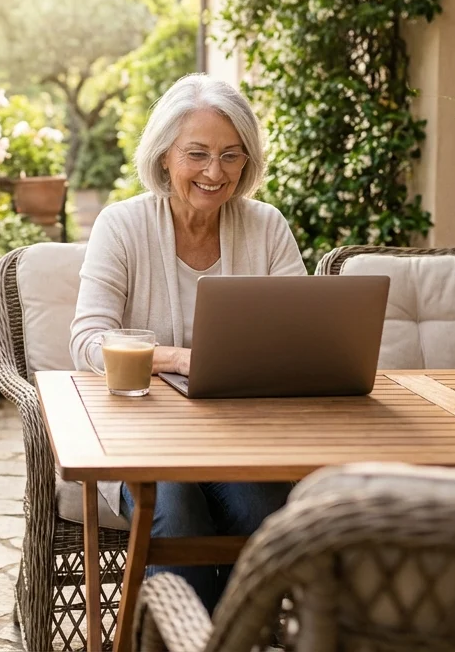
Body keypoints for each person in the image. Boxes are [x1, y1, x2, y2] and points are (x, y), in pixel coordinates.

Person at [68, 73, 306, 610]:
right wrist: (180, 360)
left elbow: (299, 335)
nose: (214, 172)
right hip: (143, 442)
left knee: (265, 512)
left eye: (231, 155)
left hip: (241, 440)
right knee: (174, 511)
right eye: (196, 153)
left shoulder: (267, 227)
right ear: (163, 157)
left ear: (247, 162)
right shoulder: (122, 225)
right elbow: (86, 340)